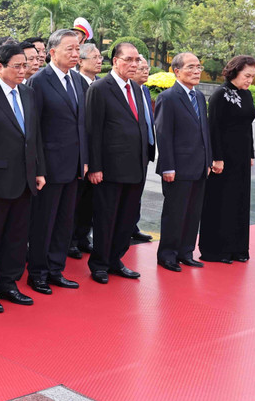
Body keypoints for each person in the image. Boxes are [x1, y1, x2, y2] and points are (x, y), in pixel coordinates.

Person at [0, 43, 46, 313]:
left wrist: (39, 170)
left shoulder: (28, 93)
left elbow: (34, 136)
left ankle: (8, 283)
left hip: (25, 178)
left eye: (25, 65)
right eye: (18, 66)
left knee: (16, 236)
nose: (23, 71)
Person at [85, 42, 153, 285]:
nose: (134, 64)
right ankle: (100, 263)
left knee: (127, 219)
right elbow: (93, 131)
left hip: (136, 167)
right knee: (106, 218)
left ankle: (116, 259)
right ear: (115, 61)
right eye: (129, 59)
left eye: (137, 60)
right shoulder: (100, 88)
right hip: (110, 169)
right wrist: (95, 166)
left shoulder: (135, 88)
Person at [26, 29, 85, 294]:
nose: (76, 54)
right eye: (70, 49)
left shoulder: (79, 81)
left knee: (65, 222)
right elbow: (33, 128)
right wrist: (37, 167)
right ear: (52, 52)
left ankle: (55, 269)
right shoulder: (39, 81)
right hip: (48, 167)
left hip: (73, 166)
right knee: (44, 222)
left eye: (77, 49)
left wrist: (85, 160)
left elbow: (83, 125)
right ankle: (37, 273)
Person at [154, 53, 212, 273]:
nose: (197, 71)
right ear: (176, 71)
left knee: (193, 212)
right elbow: (163, 134)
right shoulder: (168, 98)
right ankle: (167, 255)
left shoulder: (198, 97)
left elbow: (204, 131)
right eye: (191, 67)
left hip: (199, 165)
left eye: (199, 66)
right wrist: (168, 166)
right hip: (177, 167)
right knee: (175, 213)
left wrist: (208, 159)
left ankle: (186, 252)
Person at [199, 55, 255, 263]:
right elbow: (212, 128)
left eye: (252, 76)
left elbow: (247, 127)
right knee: (221, 202)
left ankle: (237, 248)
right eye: (247, 75)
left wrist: (250, 153)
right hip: (223, 158)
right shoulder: (219, 95)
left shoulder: (247, 94)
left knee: (239, 201)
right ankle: (217, 250)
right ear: (235, 72)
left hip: (241, 157)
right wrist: (216, 158)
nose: (250, 80)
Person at [69, 42, 102, 259]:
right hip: (78, 153)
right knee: (75, 201)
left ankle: (83, 237)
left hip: (96, 153)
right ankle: (71, 240)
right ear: (80, 61)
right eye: (95, 57)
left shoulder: (100, 84)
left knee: (90, 201)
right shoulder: (76, 83)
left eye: (101, 57)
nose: (100, 60)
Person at [129, 57, 156, 243]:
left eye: (147, 68)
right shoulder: (127, 91)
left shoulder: (144, 90)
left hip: (144, 149)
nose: (145, 72)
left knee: (138, 192)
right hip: (128, 151)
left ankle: (133, 225)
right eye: (141, 68)